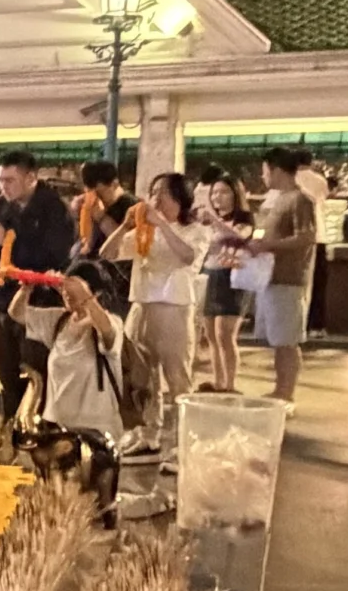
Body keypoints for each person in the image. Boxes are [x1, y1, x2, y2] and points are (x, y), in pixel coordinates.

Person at [101, 172, 205, 459]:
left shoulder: (195, 230)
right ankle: (149, 435)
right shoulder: (145, 231)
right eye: (154, 192)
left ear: (181, 198)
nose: (156, 198)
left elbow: (188, 257)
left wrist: (162, 224)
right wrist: (124, 226)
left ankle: (185, 445)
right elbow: (107, 253)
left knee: (178, 380)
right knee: (143, 377)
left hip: (174, 309)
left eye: (165, 193)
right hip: (142, 306)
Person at [0, 153, 74, 423]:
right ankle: (9, 431)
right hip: (2, 300)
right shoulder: (0, 207)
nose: (3, 187)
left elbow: (54, 258)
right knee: (7, 374)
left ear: (31, 178)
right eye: (0, 181)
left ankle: (38, 435)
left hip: (38, 304)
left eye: (10, 180)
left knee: (37, 374)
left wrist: (10, 242)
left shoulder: (54, 210)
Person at [19, 259, 128, 438]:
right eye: (65, 289)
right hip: (57, 428)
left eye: (74, 290)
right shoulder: (59, 320)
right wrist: (28, 287)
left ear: (96, 294)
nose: (67, 294)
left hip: (97, 432)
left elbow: (108, 333)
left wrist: (85, 298)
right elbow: (17, 313)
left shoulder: (109, 322)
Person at [249, 149, 318, 403]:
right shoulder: (279, 199)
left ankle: (286, 393)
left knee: (287, 341)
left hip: (289, 279)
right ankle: (280, 389)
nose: (263, 175)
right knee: (278, 340)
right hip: (271, 277)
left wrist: (268, 246)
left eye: (265, 170)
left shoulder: (300, 200)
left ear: (276, 169)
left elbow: (307, 237)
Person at [194, 171, 254, 394]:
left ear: (235, 194)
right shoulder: (207, 222)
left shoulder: (243, 219)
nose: (218, 197)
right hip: (210, 275)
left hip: (232, 278)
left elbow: (239, 236)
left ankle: (230, 384)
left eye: (224, 192)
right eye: (215, 192)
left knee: (225, 334)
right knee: (210, 333)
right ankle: (218, 381)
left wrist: (215, 221)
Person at [71, 160, 130, 258]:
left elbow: (127, 242)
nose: (98, 197)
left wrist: (102, 218)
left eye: (101, 192)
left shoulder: (129, 205)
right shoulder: (92, 203)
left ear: (114, 184)